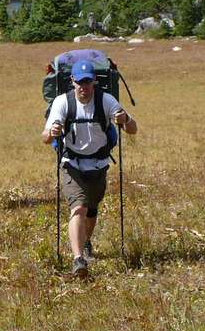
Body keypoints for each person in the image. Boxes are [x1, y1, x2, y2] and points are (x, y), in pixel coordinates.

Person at [42, 60, 137, 276]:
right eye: (80, 82)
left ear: (94, 82)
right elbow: (45, 137)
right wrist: (52, 133)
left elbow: (133, 129)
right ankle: (78, 260)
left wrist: (126, 118)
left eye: (88, 82)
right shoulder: (62, 102)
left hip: (99, 164)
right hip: (72, 164)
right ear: (72, 81)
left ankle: (86, 241)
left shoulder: (106, 100)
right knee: (79, 207)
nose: (84, 87)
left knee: (92, 210)